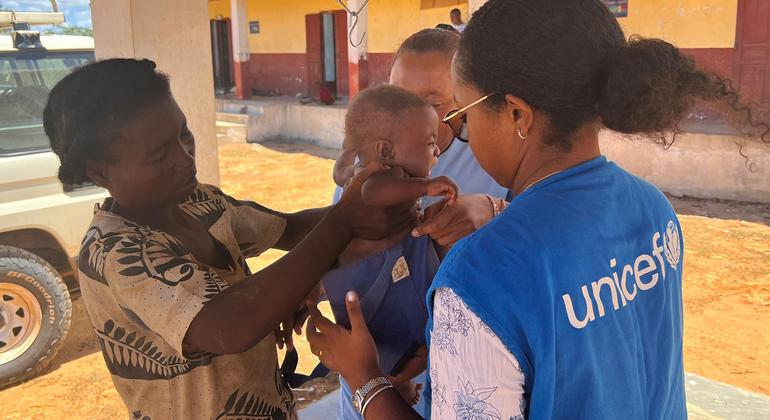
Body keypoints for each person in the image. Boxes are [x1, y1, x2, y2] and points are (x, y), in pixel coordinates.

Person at [305, 0, 769, 419]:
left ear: (517, 116)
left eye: (462, 113)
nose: (454, 133)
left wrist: (364, 379)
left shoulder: (479, 279)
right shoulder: (653, 208)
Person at [42, 58, 413, 420]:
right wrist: (344, 220)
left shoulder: (200, 202)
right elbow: (227, 327)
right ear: (99, 171)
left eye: (183, 134)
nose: (185, 157)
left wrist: (386, 206)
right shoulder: (114, 252)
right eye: (159, 155)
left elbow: (291, 228)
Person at [322, 85, 458, 419]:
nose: (437, 150)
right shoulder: (378, 177)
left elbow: (340, 171)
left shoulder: (372, 169)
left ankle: (398, 387)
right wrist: (425, 186)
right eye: (429, 143)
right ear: (386, 151)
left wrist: (349, 149)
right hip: (374, 283)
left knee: (405, 345)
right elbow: (372, 191)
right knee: (389, 344)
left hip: (397, 267)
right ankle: (395, 388)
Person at [333, 28, 509, 250]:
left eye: (434, 104)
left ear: (464, 102)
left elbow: (545, 225)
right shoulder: (370, 156)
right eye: (397, 100)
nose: (408, 120)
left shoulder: (493, 162)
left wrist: (491, 210)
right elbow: (334, 235)